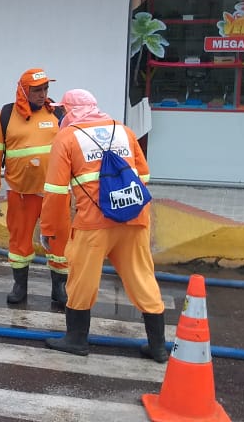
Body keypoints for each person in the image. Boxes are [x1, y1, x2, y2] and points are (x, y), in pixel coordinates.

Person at [41, 89, 166, 362]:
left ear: (71, 110)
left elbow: (55, 191)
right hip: (133, 217)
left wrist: (49, 229)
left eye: (63, 110)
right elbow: (143, 175)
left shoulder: (66, 137)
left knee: (82, 280)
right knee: (142, 277)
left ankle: (76, 339)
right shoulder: (122, 130)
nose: (60, 114)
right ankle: (157, 346)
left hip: (93, 224)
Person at [0, 68, 69, 305]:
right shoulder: (5, 115)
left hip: (56, 192)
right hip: (21, 192)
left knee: (60, 240)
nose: (43, 95)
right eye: (37, 90)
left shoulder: (58, 112)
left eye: (45, 89)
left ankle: (59, 289)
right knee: (19, 240)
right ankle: (20, 285)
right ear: (23, 91)